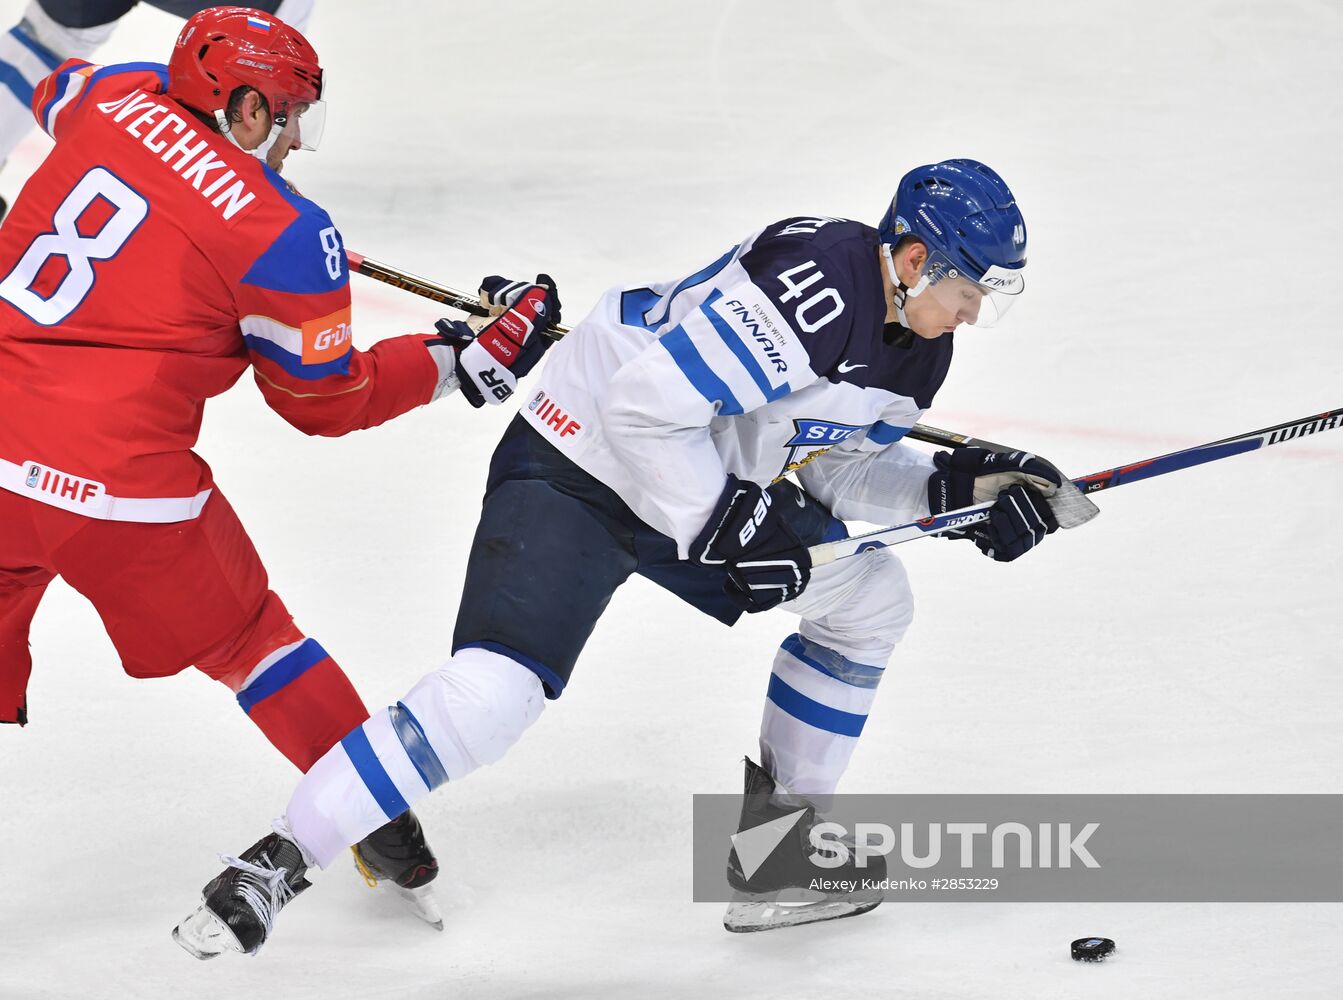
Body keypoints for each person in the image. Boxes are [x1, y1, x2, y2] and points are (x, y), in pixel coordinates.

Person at [173, 158, 1061, 957]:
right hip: (582, 461)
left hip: (696, 482)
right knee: (494, 694)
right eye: (971, 288)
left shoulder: (917, 348)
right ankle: (280, 859)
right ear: (912, 261)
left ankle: (781, 857)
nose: (976, 311)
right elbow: (641, 407)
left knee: (870, 602)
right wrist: (731, 527)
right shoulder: (816, 283)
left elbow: (828, 462)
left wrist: (954, 494)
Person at [0, 5, 558, 929]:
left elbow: (58, 92)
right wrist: (464, 359)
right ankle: (373, 817)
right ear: (247, 111)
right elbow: (323, 403)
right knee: (251, 642)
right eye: (291, 113)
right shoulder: (285, 236)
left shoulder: (108, 93)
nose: (299, 136)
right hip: (120, 493)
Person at [0, 1, 317, 221]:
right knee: (271, 52)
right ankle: (247, 175)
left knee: (51, 36)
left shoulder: (100, 91)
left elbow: (56, 94)